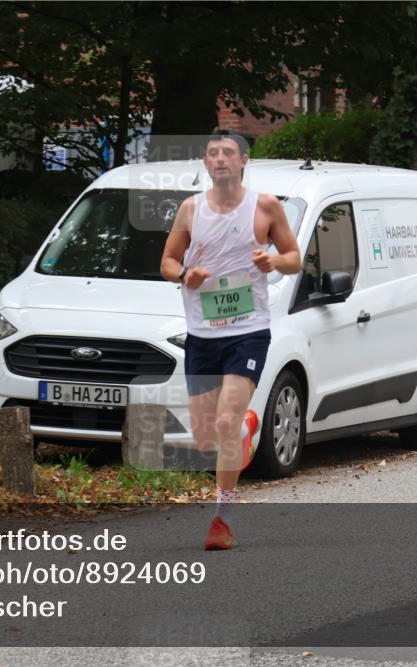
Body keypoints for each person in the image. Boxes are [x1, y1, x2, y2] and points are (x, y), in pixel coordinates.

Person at [160, 130, 301, 549]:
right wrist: (186, 274)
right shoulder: (190, 210)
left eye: (228, 153)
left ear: (243, 161)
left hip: (248, 331)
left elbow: (294, 258)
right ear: (205, 163)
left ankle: (221, 520)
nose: (220, 159)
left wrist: (274, 259)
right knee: (206, 436)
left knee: (223, 422)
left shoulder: (265, 206)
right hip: (202, 334)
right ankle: (243, 428)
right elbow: (167, 261)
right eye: (212, 153)